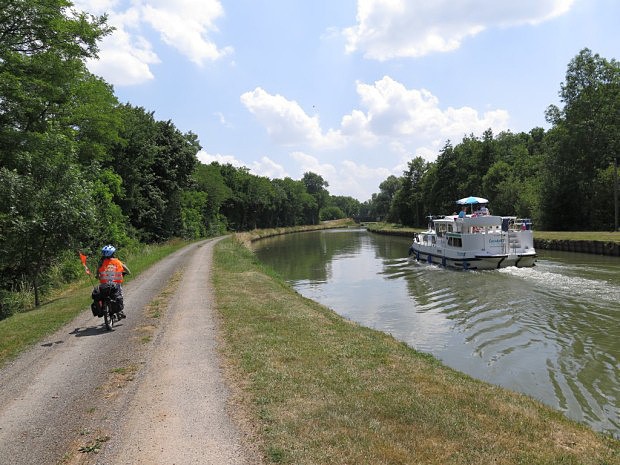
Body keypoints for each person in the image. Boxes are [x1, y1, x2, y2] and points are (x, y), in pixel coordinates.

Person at [96, 245, 130, 318]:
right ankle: (120, 310)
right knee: (119, 295)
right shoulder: (117, 261)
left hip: (104, 284)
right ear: (112, 253)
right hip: (116, 284)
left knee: (104, 295)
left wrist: (97, 276)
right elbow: (126, 269)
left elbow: (97, 271)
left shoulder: (101, 262)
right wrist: (128, 272)